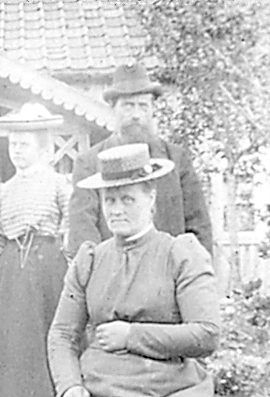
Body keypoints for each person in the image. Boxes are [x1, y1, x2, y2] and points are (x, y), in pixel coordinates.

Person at [32, 144, 229, 397]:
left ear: (150, 198)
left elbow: (206, 333)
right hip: (99, 390)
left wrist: (132, 336)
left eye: (128, 199)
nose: (117, 210)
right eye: (109, 200)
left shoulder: (179, 253)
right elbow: (62, 334)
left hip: (166, 390)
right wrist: (69, 385)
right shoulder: (90, 260)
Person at [0, 103, 71, 397]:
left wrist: (71, 278)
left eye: (24, 144)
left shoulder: (60, 185)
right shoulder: (1, 192)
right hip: (12, 275)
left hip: (49, 273)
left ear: (43, 148)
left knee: (46, 347)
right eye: (12, 144)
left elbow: (69, 232)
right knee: (12, 351)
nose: (17, 150)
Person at [67, 61, 213, 259]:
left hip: (169, 268)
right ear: (113, 109)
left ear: (153, 110)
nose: (136, 115)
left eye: (143, 106)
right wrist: (98, 269)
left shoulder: (176, 160)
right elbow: (83, 230)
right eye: (128, 106)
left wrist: (194, 269)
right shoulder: (90, 163)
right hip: (114, 270)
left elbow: (198, 224)